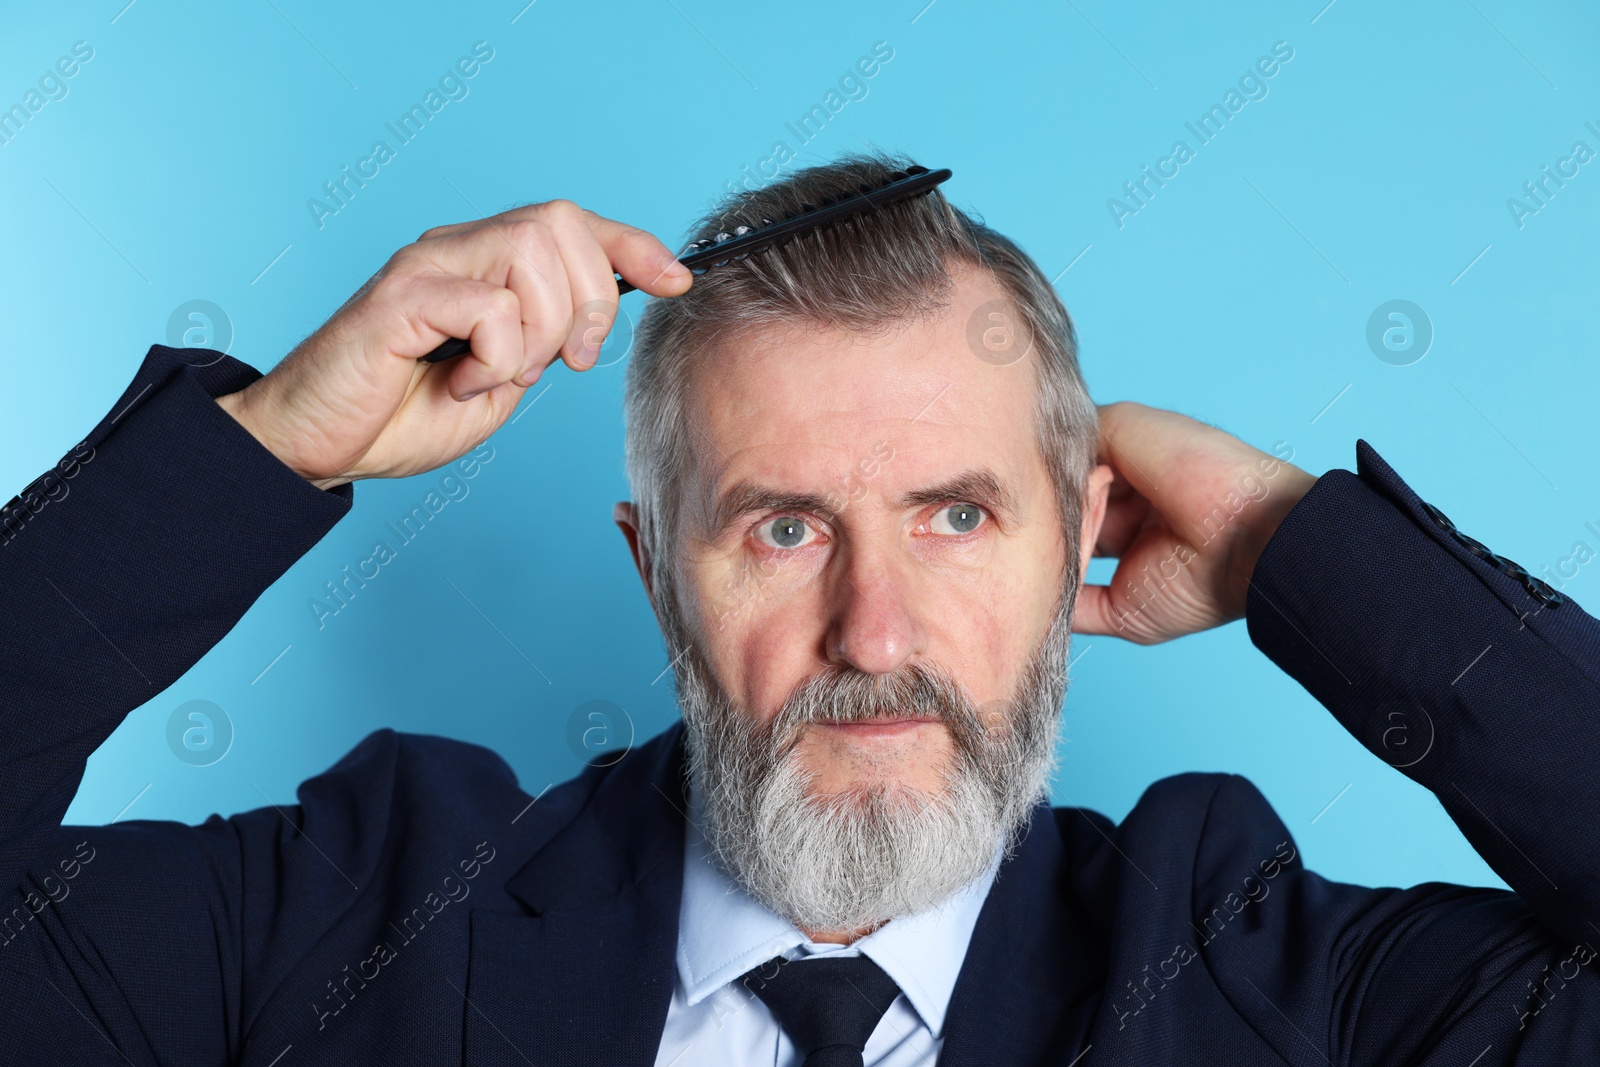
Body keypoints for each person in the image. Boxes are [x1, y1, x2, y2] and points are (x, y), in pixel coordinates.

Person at [0, 151, 1595, 1066]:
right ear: (652, 574)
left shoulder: (1268, 981)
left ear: (1079, 545)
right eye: (781, 530)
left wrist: (1294, 549)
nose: (876, 634)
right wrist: (268, 442)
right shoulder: (356, 921)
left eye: (959, 517)